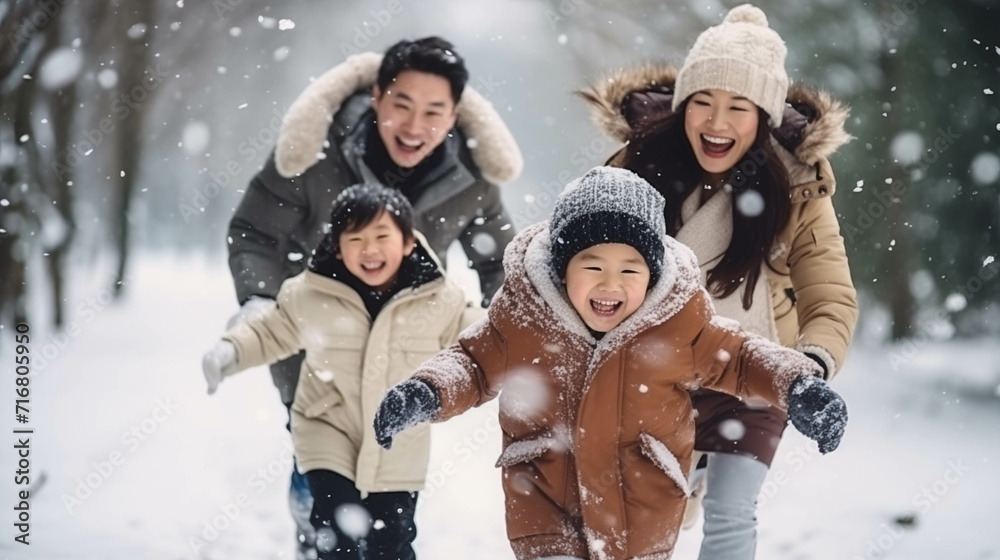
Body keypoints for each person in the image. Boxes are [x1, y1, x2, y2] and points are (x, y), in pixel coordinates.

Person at [371, 166, 848, 560]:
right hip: (546, 510)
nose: (610, 285)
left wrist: (798, 386)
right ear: (562, 269)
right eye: (593, 266)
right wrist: (425, 392)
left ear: (652, 272)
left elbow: (743, 356)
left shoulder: (677, 322)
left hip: (642, 519)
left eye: (629, 269)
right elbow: (471, 364)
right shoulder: (525, 317)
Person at [578, 5, 858, 558]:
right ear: (683, 105)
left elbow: (831, 295)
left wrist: (814, 367)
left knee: (732, 513)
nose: (717, 122)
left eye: (738, 107)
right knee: (648, 517)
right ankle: (685, 482)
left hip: (753, 374)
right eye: (702, 102)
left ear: (765, 116)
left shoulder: (798, 190)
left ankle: (707, 477)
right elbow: (580, 264)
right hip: (655, 375)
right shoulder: (634, 169)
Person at [224, 36, 522, 556]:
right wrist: (260, 302)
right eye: (401, 104)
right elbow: (255, 231)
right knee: (323, 497)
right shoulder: (315, 155)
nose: (414, 126)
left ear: (455, 115)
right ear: (376, 96)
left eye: (434, 111)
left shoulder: (470, 180)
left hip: (401, 365)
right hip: (318, 356)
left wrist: (507, 335)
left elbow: (499, 263)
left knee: (388, 509)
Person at [204, 183, 481, 560]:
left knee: (392, 544)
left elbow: (478, 337)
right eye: (355, 238)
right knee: (337, 535)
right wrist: (231, 351)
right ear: (337, 245)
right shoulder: (310, 294)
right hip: (325, 428)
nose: (369, 249)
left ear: (407, 242)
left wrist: (518, 352)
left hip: (398, 441)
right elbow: (270, 330)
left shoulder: (440, 299)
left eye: (382, 235)